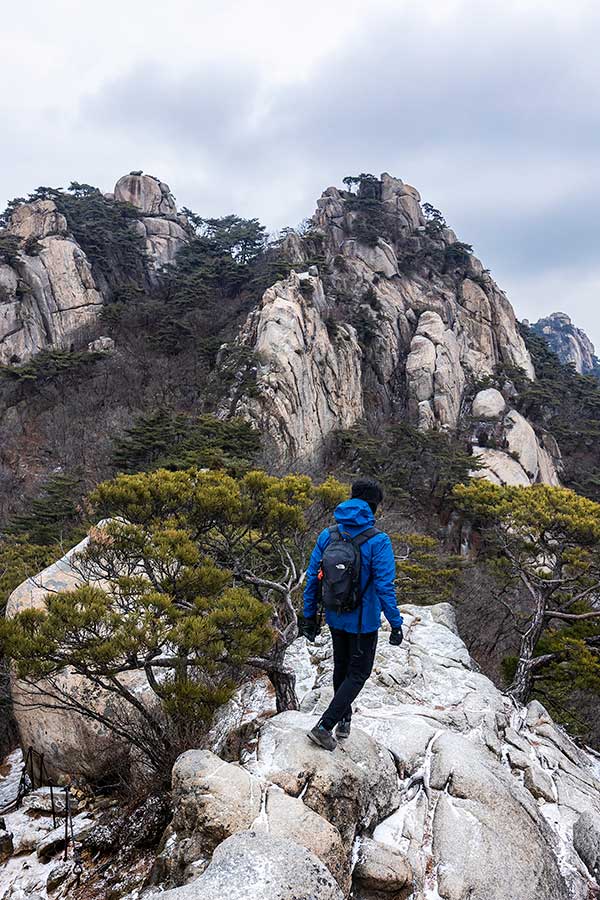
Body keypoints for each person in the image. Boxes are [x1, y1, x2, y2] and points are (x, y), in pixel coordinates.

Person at [301, 477, 404, 751]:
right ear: (374, 507)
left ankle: (344, 719)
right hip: (364, 623)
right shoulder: (378, 541)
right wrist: (395, 623)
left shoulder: (328, 534)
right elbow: (385, 586)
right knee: (358, 674)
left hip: (335, 616)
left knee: (341, 668)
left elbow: (313, 578)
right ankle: (324, 726)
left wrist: (308, 617)